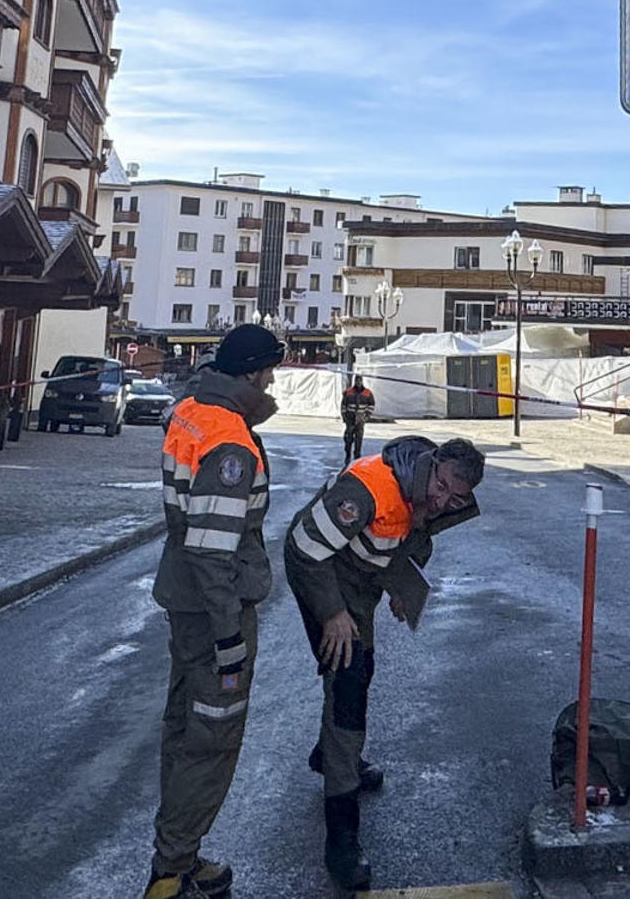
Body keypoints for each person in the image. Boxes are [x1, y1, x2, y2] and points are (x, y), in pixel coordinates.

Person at [285, 435, 486, 890]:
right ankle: (341, 839)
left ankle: (329, 755)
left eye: (455, 497)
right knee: (348, 686)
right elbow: (302, 547)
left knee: (360, 670)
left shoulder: (435, 494)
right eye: (441, 487)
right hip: (322, 572)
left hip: (360, 580)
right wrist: (332, 613)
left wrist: (402, 584)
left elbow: (406, 539)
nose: (442, 501)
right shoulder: (369, 486)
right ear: (432, 464)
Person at [142, 324, 286, 899]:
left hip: (183, 602)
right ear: (252, 372)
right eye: (270, 369)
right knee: (213, 737)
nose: (274, 379)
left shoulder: (191, 410)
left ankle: (179, 853)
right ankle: (171, 871)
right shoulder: (230, 441)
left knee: (185, 727)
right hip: (212, 612)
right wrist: (230, 636)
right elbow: (212, 548)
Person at [340, 373, 376, 465]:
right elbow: (343, 405)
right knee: (348, 439)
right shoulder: (348, 392)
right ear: (355, 381)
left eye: (360, 380)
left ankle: (357, 457)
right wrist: (345, 417)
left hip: (360, 420)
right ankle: (348, 455)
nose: (358, 382)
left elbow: (371, 405)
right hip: (350, 419)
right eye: (357, 380)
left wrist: (366, 416)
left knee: (359, 439)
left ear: (362, 381)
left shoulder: (368, 393)